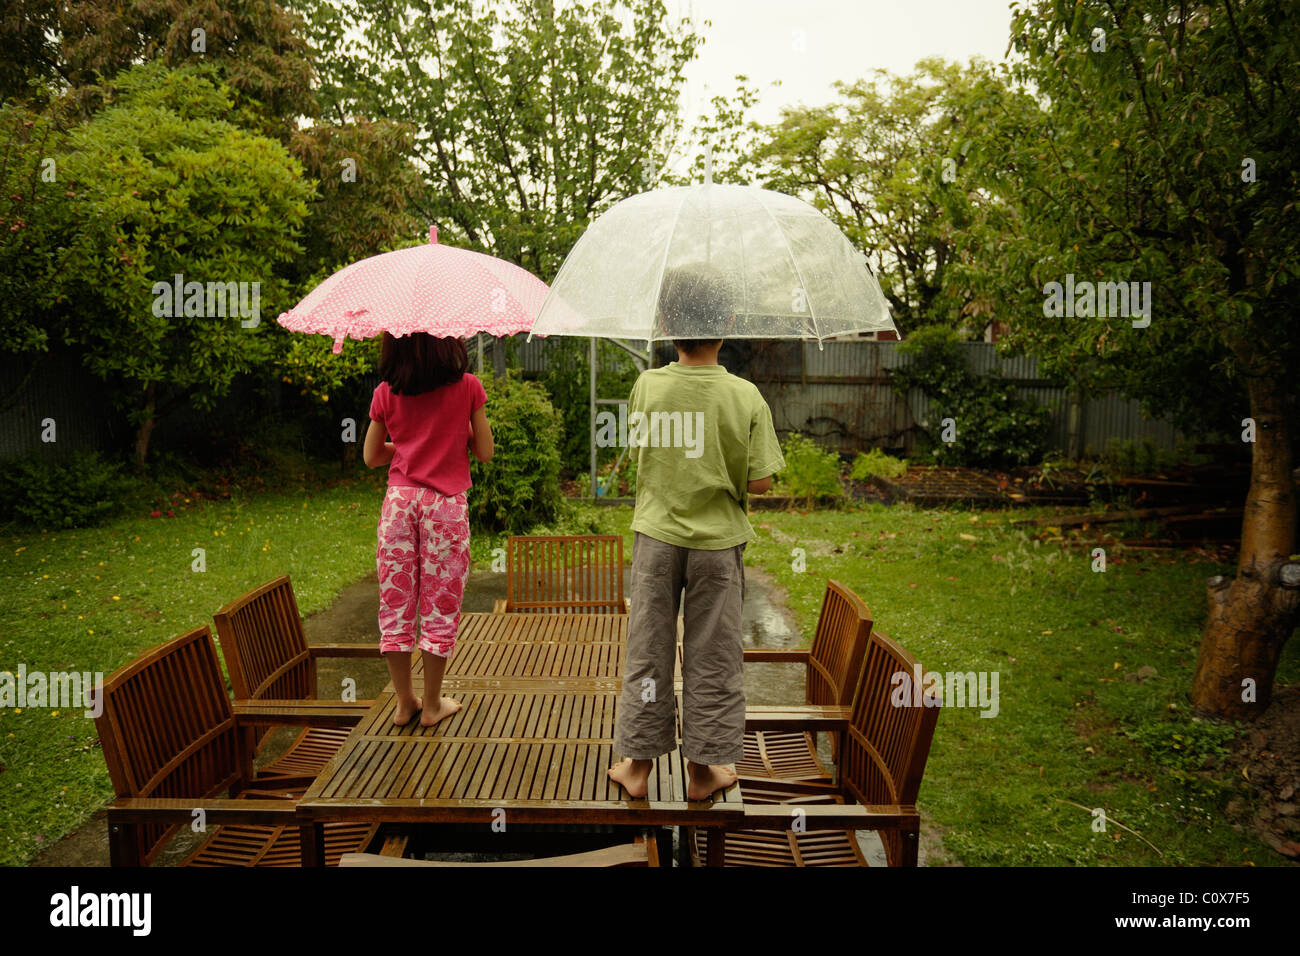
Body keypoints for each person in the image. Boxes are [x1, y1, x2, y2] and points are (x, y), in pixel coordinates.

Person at [608, 263, 786, 801]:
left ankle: (636, 768)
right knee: (713, 655)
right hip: (717, 546)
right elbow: (760, 481)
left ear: (665, 322)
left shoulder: (647, 386)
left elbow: (640, 456)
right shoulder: (746, 396)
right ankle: (703, 774)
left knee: (648, 647)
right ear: (727, 323)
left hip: (657, 541)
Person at [363, 332, 493, 727]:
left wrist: (405, 446)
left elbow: (371, 457)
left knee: (396, 601)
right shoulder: (469, 388)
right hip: (444, 506)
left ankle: (405, 703)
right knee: (440, 603)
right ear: (446, 342)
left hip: (400, 505)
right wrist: (455, 435)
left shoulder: (386, 392)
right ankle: (432, 704)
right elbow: (485, 452)